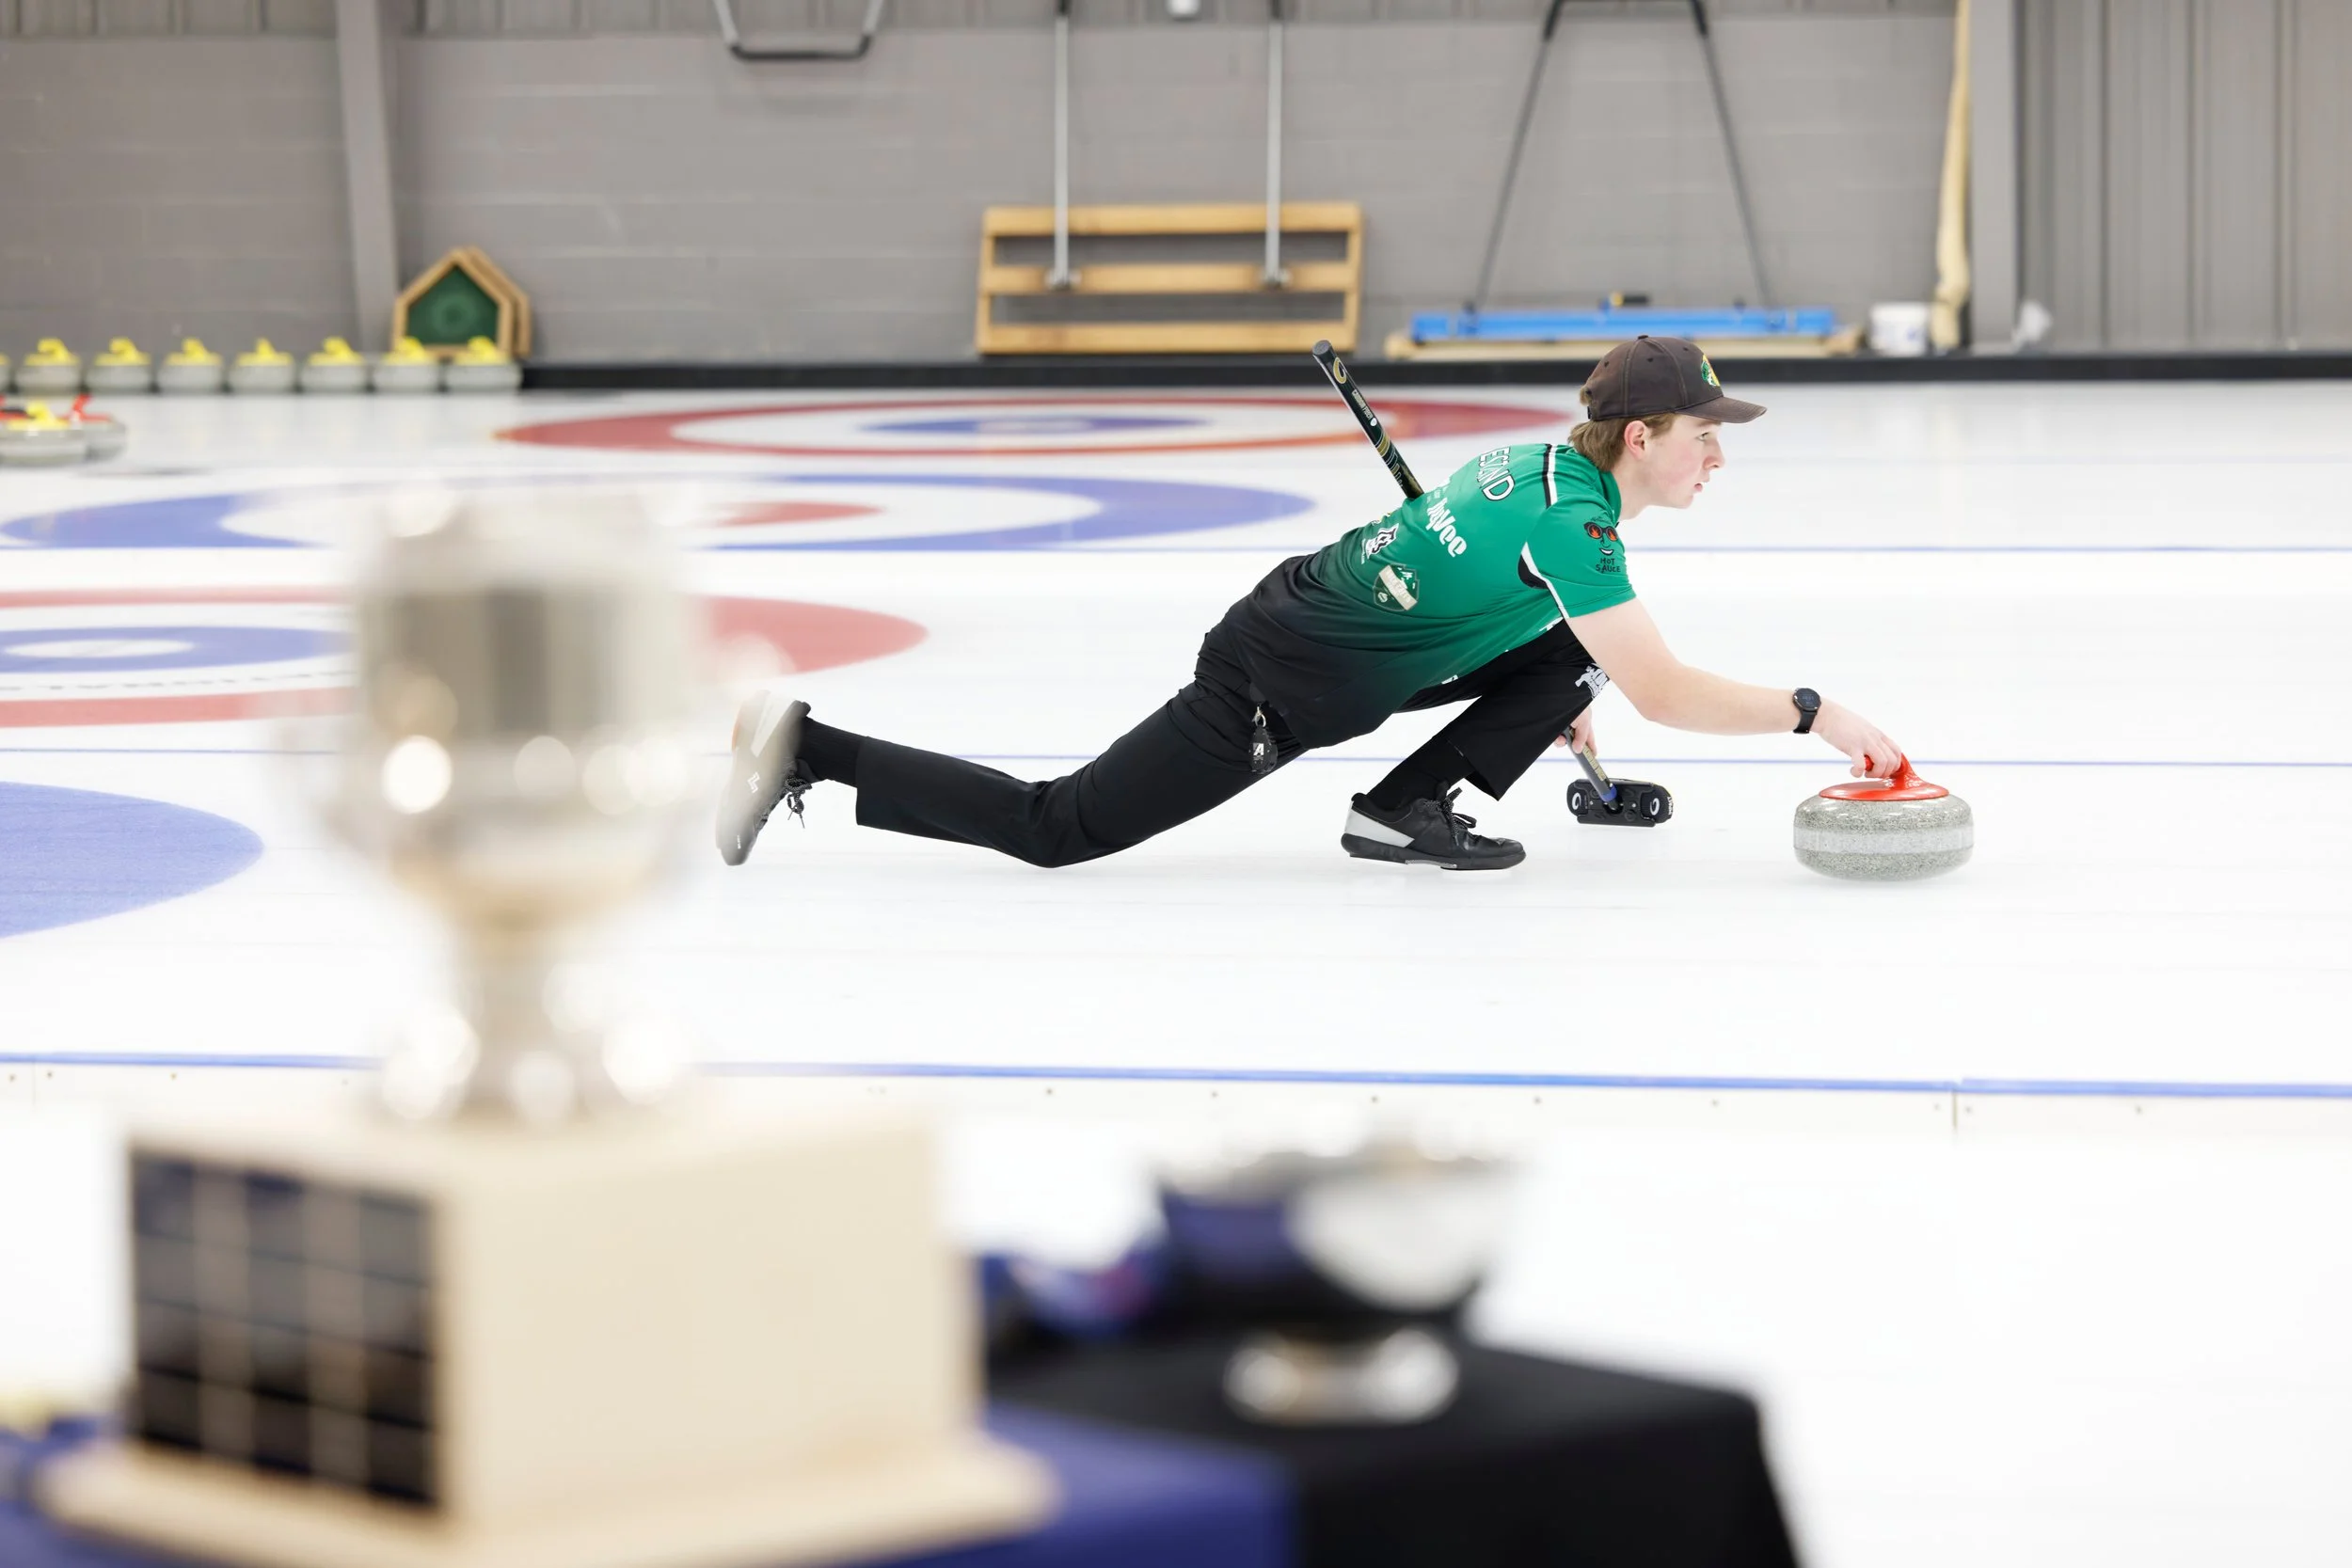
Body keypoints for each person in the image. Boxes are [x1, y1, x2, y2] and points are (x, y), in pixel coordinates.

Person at [716, 336, 1901, 873]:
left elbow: (1504, 599)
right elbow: (1669, 688)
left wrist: (1547, 687)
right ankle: (804, 747)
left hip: (1333, 638)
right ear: (1641, 438)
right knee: (1058, 827)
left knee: (1568, 658)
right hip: (1278, 679)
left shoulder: (1541, 468)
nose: (1716, 459)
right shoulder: (1573, 523)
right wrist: (1815, 713)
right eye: (1704, 438)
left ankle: (1404, 806)